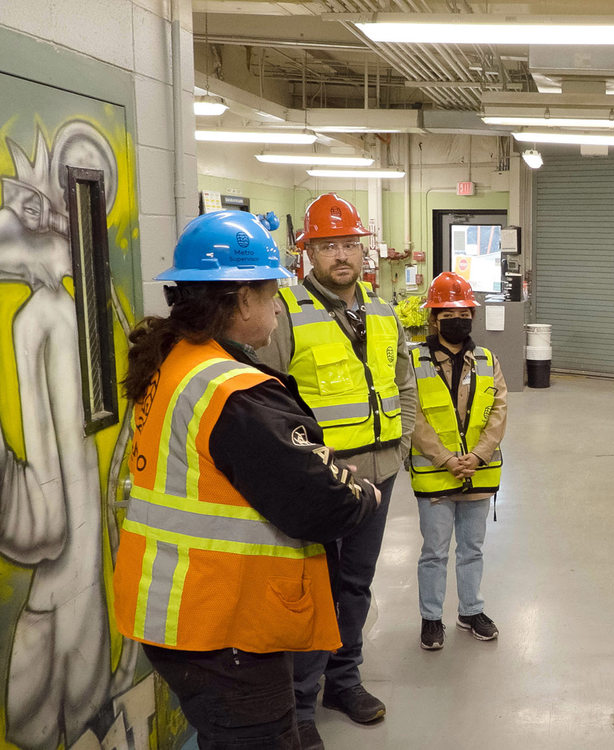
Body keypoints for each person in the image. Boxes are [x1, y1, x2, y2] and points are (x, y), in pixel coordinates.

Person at [112, 210, 381, 749]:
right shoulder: (234, 392)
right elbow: (320, 504)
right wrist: (362, 492)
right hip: (221, 625)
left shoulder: (175, 359)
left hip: (176, 608)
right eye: (270, 293)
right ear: (241, 301)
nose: (278, 306)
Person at [257, 193, 417, 736]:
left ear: (362, 249)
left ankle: (344, 681)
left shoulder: (382, 310)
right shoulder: (286, 314)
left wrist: (401, 445)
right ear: (309, 253)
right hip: (320, 481)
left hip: (380, 474)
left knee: (356, 583)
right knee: (312, 588)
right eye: (328, 246)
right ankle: (301, 706)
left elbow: (405, 383)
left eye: (349, 243)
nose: (341, 255)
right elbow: (263, 400)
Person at [408, 272, 508, 650]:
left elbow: (499, 409)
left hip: (478, 473)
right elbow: (411, 415)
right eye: (448, 313)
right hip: (436, 475)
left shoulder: (486, 359)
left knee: (472, 548)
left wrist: (478, 455)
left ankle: (470, 610)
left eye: (464, 312)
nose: (458, 319)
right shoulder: (414, 360)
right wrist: (446, 459)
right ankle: (431, 618)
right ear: (434, 319)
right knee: (433, 551)